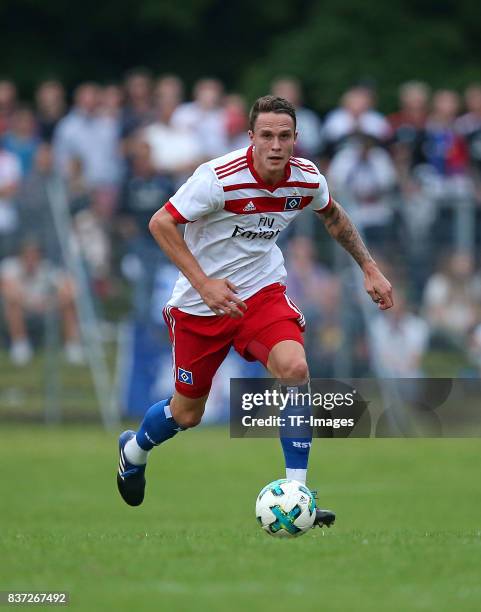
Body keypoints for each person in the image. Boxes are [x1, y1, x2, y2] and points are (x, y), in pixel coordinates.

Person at [116, 96, 393, 528]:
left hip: (261, 293)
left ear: (296, 139)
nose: (276, 145)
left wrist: (370, 268)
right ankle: (134, 452)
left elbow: (333, 216)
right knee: (188, 413)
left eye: (284, 136)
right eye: (267, 136)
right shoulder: (217, 178)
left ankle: (298, 493)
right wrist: (204, 284)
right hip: (200, 304)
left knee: (295, 368)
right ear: (251, 138)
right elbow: (160, 224)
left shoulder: (305, 179)